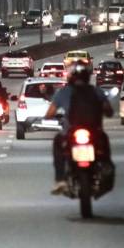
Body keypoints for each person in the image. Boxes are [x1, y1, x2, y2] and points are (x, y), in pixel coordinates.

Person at [46, 62, 113, 195]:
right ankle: (106, 166)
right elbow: (109, 111)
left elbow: (50, 113)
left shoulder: (64, 92)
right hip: (94, 132)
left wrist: (52, 116)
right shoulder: (96, 91)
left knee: (58, 142)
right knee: (104, 140)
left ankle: (60, 179)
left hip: (72, 132)